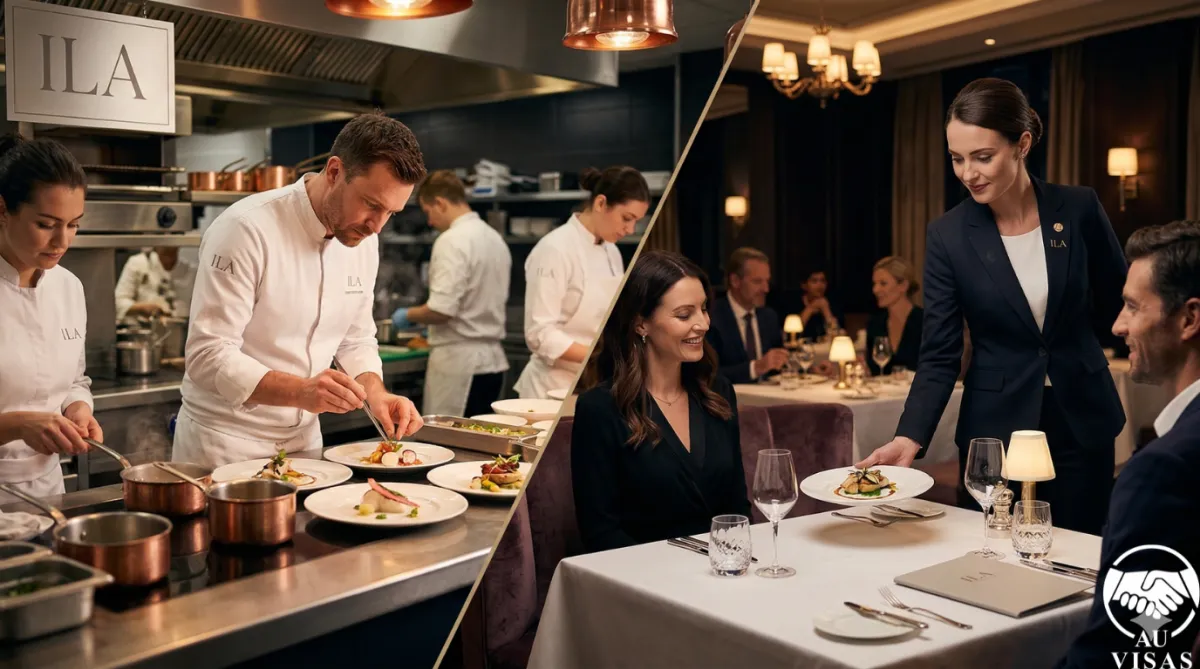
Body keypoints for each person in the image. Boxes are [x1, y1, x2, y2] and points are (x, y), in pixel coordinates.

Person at [857, 78, 1128, 535]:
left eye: (983, 157)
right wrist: (910, 435)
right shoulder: (948, 235)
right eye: (957, 158)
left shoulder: (1078, 208)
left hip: (1080, 417)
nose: (968, 173)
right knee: (993, 554)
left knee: (1080, 552)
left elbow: (1121, 301)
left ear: (1022, 144)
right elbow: (939, 354)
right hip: (995, 429)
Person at [175, 113, 425, 468]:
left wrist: (376, 394)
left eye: (391, 213)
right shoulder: (245, 229)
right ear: (335, 172)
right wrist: (301, 391)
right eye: (371, 204)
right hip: (226, 443)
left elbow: (355, 340)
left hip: (305, 444)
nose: (377, 227)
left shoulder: (363, 239)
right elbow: (207, 355)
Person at [1057, 221, 1200, 668]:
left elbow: (1124, 655)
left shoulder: (1165, 470)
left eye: (1133, 307)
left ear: (1189, 319)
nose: (1118, 325)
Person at [572, 250, 752, 552]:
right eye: (684, 315)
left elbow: (738, 507)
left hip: (723, 568)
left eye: (703, 309)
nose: (703, 324)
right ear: (641, 324)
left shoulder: (718, 392)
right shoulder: (600, 408)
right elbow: (600, 532)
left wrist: (734, 562)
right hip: (638, 574)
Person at [0, 135, 102, 501]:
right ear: (2, 209)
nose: (63, 241)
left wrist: (78, 408)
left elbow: (75, 380)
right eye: (46, 224)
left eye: (73, 224)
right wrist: (16, 425)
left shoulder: (68, 286)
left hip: (48, 490)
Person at [513, 166, 649, 399]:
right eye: (627, 218)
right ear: (600, 203)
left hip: (595, 382)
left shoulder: (612, 251)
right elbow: (539, 333)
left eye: (636, 221)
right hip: (552, 387)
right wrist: (598, 355)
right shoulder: (554, 249)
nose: (630, 229)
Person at [391, 170, 510, 417]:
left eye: (428, 212)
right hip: (493, 364)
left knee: (449, 437)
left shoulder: (451, 240)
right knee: (483, 437)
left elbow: (441, 310)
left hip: (460, 366)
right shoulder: (494, 238)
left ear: (440, 203)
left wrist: (408, 315)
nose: (430, 221)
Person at [706, 247, 787, 384]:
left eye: (767, 281)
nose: (766, 289)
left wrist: (808, 369)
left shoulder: (769, 317)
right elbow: (708, 374)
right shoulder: (711, 318)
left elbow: (778, 364)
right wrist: (755, 368)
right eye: (757, 281)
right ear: (735, 281)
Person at [865, 256, 923, 376]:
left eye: (883, 283)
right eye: (874, 284)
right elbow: (874, 371)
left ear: (903, 286)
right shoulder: (875, 324)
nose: (875, 290)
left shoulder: (926, 322)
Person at [114, 246, 196, 321]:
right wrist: (142, 308)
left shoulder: (191, 271)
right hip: (141, 330)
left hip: (181, 329)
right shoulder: (137, 263)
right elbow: (118, 303)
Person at [798, 269, 840, 340]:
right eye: (814, 281)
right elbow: (791, 335)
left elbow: (839, 336)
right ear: (804, 285)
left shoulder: (833, 303)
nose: (820, 285)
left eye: (823, 281)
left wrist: (826, 310)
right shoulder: (795, 302)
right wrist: (810, 308)